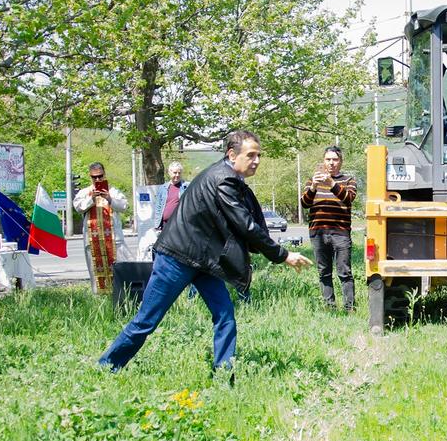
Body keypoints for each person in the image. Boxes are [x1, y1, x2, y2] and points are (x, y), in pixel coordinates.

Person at [99, 130, 312, 374]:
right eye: (251, 155)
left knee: (225, 316)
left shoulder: (228, 176)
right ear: (232, 155)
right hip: (176, 259)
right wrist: (283, 255)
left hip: (202, 261)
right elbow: (245, 225)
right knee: (146, 321)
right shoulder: (224, 179)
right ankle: (107, 366)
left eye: (259, 155)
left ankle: (223, 374)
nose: (257, 161)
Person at [300, 146, 357, 311]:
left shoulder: (348, 179)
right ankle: (329, 307)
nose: (331, 163)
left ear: (340, 161)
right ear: (323, 161)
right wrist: (313, 188)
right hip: (318, 232)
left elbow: (348, 198)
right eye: (328, 159)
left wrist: (331, 183)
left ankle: (349, 307)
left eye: (335, 159)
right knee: (324, 272)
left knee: (344, 272)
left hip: (340, 232)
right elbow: (304, 203)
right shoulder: (313, 180)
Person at [73, 162, 131, 294]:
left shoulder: (113, 191)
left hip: (113, 239)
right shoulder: (85, 192)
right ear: (90, 177)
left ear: (104, 174)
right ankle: (99, 299)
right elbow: (78, 207)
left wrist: (110, 199)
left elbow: (124, 206)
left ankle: (120, 296)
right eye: (94, 177)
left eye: (100, 176)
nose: (98, 179)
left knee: (118, 271)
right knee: (95, 272)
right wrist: (91, 199)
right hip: (93, 241)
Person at [152, 161, 189, 231]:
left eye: (179, 173)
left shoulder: (187, 186)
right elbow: (158, 207)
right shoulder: (163, 188)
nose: (177, 175)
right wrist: (157, 225)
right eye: (175, 172)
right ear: (169, 173)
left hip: (180, 225)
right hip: (165, 225)